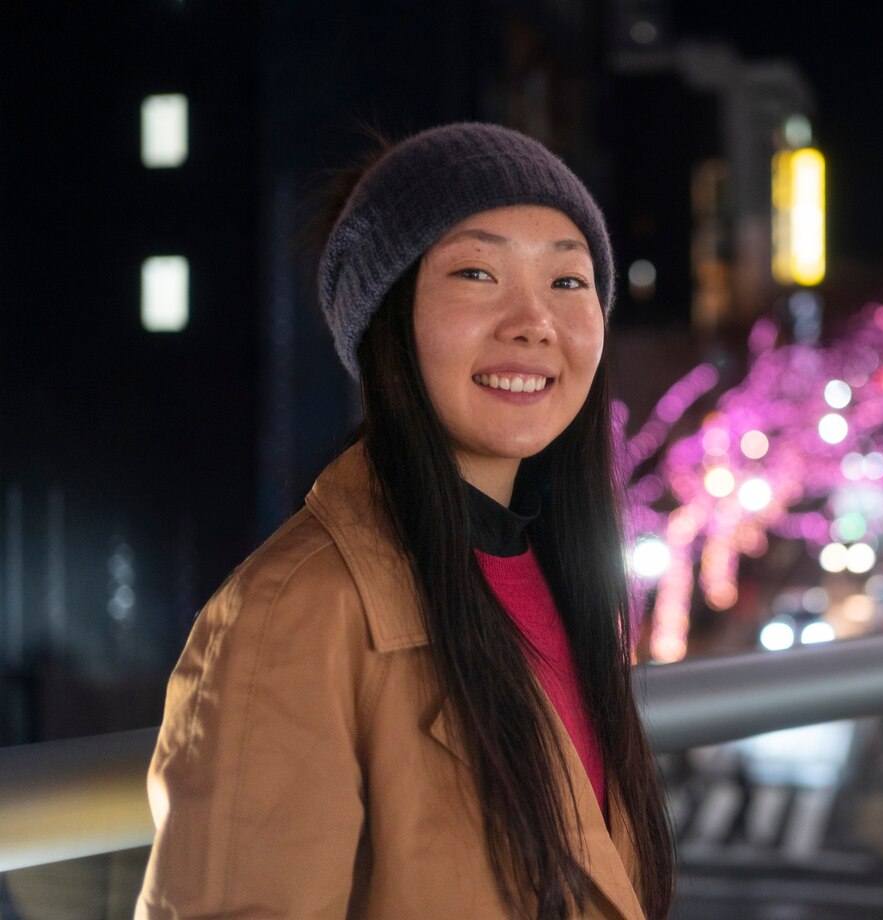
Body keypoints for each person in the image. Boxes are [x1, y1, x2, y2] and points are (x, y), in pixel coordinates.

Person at [135, 123, 675, 920]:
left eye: (568, 281)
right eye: (477, 271)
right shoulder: (297, 609)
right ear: (388, 322)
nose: (534, 321)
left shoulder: (564, 576)